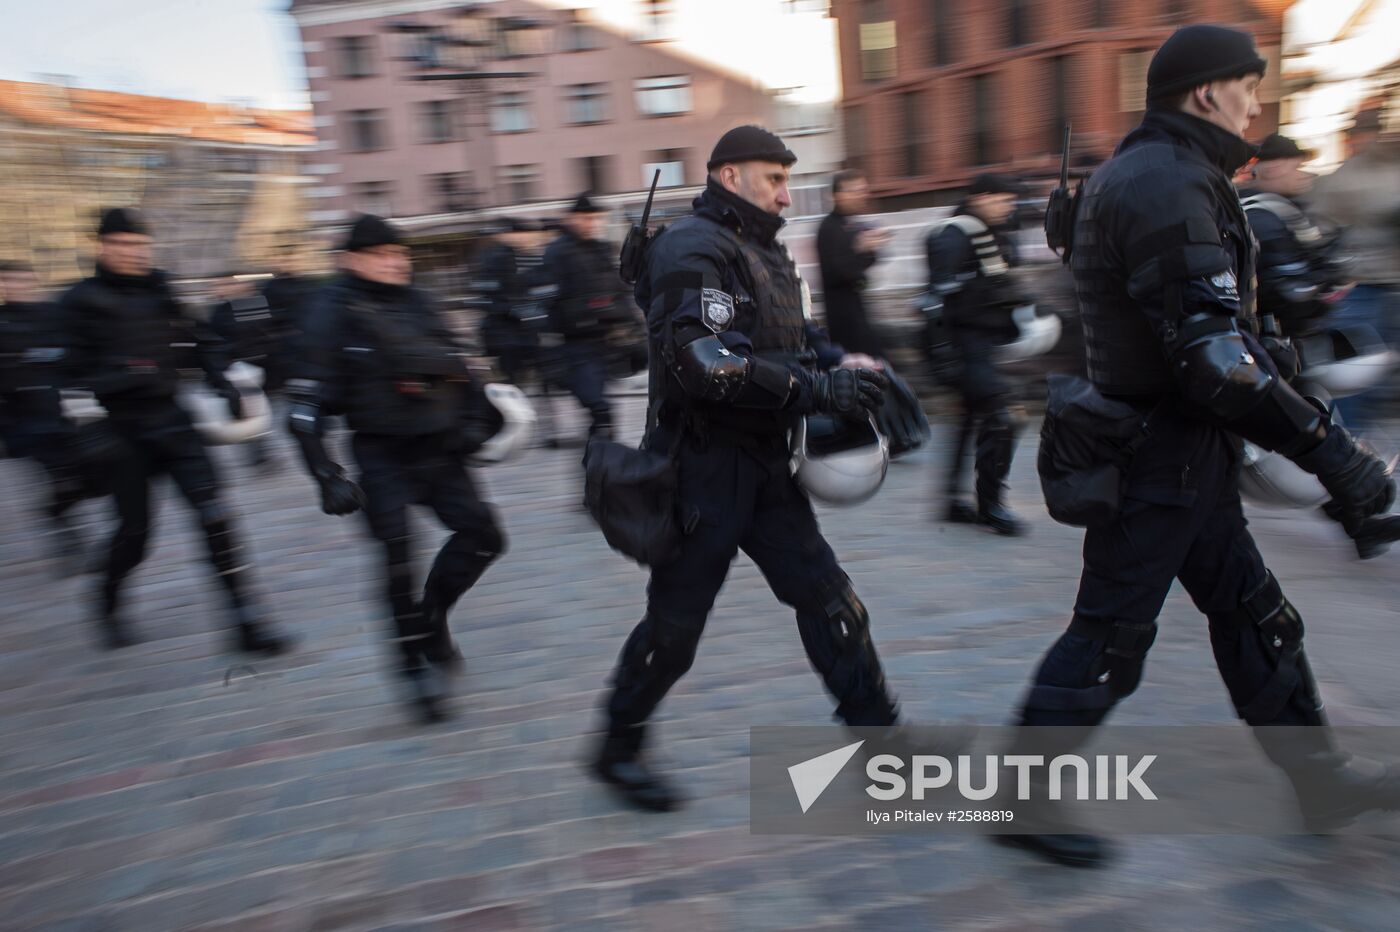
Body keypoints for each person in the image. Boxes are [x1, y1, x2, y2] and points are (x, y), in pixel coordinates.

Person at [1002, 25, 1399, 868]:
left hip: (1184, 456)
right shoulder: (1165, 182)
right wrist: (1336, 456)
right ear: (1208, 91)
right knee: (1110, 634)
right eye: (1249, 86)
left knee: (1258, 619)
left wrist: (1273, 366)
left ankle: (1319, 778)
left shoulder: (1163, 174)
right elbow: (1214, 362)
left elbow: (1214, 336)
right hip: (1156, 459)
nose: (1258, 103)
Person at [590, 125, 901, 812]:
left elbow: (791, 331)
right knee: (674, 633)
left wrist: (841, 362)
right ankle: (617, 747)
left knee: (831, 601)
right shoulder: (690, 248)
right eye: (774, 179)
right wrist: (818, 391)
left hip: (766, 465)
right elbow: (706, 365)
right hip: (700, 471)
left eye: (789, 181)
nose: (788, 196)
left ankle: (880, 743)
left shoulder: (758, 247)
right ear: (729, 177)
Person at [287, 215, 506, 724]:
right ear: (350, 260)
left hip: (440, 447)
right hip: (382, 453)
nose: (394, 260)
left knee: (484, 536)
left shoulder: (419, 301)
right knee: (397, 561)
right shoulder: (330, 313)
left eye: (399, 252)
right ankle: (413, 668)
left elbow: (461, 367)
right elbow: (303, 406)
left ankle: (431, 618)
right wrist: (325, 474)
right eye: (381, 253)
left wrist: (478, 421)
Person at [59, 209, 293, 654]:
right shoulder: (79, 302)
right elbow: (66, 376)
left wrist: (224, 381)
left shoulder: (161, 288)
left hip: (173, 421)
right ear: (102, 246)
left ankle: (247, 621)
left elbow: (202, 341)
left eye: (139, 245)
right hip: (121, 431)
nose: (133, 253)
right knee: (135, 534)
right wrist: (90, 429)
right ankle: (107, 596)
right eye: (123, 245)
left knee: (216, 517)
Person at [926, 173, 1030, 536]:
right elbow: (941, 295)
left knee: (969, 420)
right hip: (963, 347)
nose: (1009, 206)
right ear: (982, 197)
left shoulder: (986, 232)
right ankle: (991, 505)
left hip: (980, 345)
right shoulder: (955, 234)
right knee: (1005, 416)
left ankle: (953, 501)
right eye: (1003, 199)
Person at [0, 260, 108, 564]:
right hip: (27, 424)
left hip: (70, 415)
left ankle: (54, 512)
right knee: (63, 480)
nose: (14, 286)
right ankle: (70, 538)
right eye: (7, 281)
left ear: (32, 282)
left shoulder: (55, 316)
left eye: (20, 280)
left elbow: (80, 357)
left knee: (95, 482)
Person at [1306, 106, 1400, 431]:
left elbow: (1319, 228)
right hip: (1366, 285)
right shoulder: (1353, 176)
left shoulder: (1354, 174)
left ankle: (1352, 434)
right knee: (1358, 365)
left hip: (1372, 283)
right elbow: (1322, 229)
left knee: (1361, 364)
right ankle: (1350, 435)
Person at [1240, 133, 1351, 342]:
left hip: (1280, 335)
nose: (1305, 174)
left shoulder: (1283, 210)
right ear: (1274, 169)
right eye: (1297, 167)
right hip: (1271, 337)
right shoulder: (1263, 216)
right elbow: (1290, 291)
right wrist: (1327, 279)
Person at [539, 195, 630, 442]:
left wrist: (628, 323)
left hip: (604, 343)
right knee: (599, 409)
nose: (592, 224)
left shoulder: (600, 249)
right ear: (572, 219)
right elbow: (548, 302)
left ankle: (601, 461)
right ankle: (598, 463)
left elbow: (618, 288)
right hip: (574, 347)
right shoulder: (558, 252)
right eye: (586, 218)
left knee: (602, 412)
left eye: (595, 219)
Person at [209, 270, 285, 467]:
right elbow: (214, 344)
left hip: (264, 369)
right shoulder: (220, 312)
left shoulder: (257, 304)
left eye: (227, 284)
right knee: (251, 412)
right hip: (241, 372)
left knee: (262, 412)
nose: (222, 289)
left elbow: (270, 333)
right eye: (219, 285)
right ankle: (259, 452)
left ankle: (261, 450)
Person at [817, 171, 891, 358]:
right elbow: (839, 272)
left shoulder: (849, 224)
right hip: (845, 321)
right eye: (854, 191)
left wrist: (868, 248)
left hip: (857, 312)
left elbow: (863, 266)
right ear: (837, 195)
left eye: (863, 190)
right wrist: (862, 249)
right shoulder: (829, 228)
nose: (861, 196)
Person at [477, 218, 545, 386]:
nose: (525, 238)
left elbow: (536, 289)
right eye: (520, 234)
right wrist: (513, 309)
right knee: (512, 382)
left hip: (526, 333)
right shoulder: (492, 260)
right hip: (504, 336)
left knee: (536, 380)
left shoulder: (528, 258)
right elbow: (485, 297)